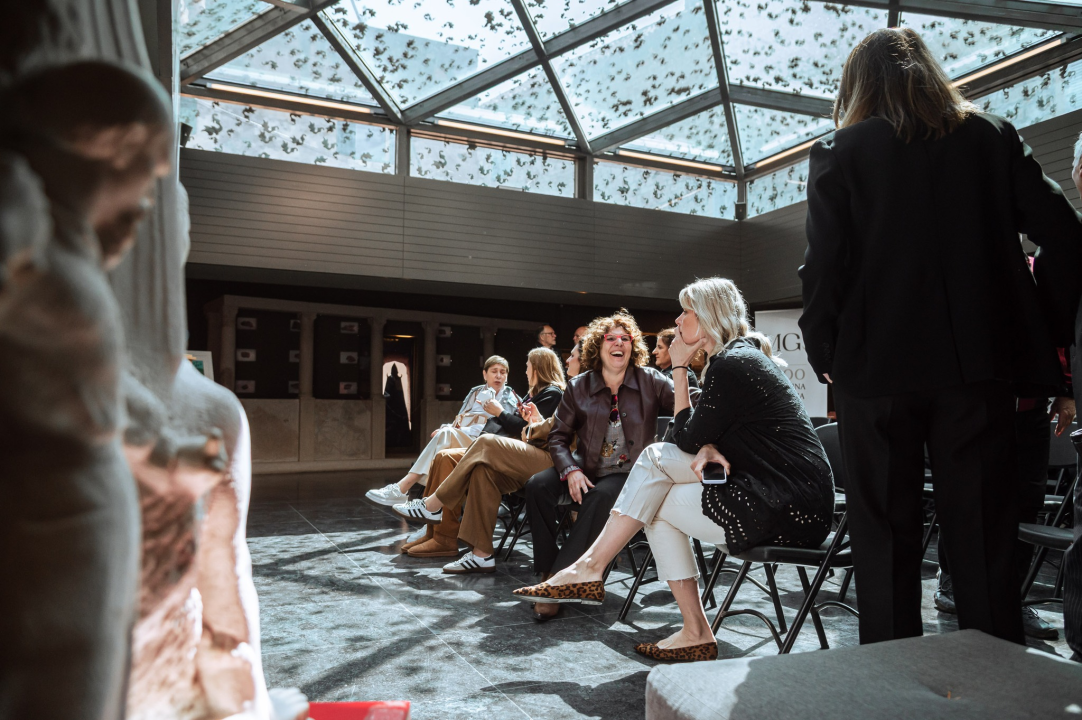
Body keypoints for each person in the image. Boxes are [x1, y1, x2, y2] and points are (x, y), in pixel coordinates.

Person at [798, 28, 1082, 646]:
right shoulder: (992, 136)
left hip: (875, 372)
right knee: (983, 539)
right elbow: (1065, 235)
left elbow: (823, 268)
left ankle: (896, 690)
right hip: (978, 369)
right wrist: (1041, 330)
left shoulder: (841, 150)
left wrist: (824, 350)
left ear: (858, 87)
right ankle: (994, 688)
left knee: (886, 536)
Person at [513, 278, 835, 660]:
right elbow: (710, 432)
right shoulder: (739, 358)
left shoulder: (732, 364)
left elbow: (684, 437)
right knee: (655, 499)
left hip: (787, 506)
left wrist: (680, 367)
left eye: (686, 312)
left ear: (709, 317)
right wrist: (710, 441)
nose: (678, 320)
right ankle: (691, 628)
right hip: (781, 495)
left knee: (653, 463)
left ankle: (592, 568)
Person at [0, 61, 172, 720]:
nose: (150, 201)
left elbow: (86, 379)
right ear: (117, 146)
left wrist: (162, 441)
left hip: (77, 529)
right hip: (42, 528)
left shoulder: (65, 241)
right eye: (151, 174)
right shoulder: (17, 203)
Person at [524, 311, 676, 619]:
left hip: (630, 473)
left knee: (600, 497)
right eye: (611, 338)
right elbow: (558, 439)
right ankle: (548, 572)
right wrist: (571, 470)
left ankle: (557, 581)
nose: (619, 343)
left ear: (633, 347)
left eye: (626, 338)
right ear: (598, 345)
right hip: (588, 467)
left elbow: (691, 401)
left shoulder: (651, 380)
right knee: (537, 486)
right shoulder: (579, 386)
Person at [392, 347, 566, 561]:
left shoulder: (553, 393)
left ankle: (432, 505)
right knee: (444, 456)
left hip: (523, 457)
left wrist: (501, 412)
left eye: (528, 367)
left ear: (538, 369)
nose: (526, 371)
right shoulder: (530, 394)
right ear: (485, 374)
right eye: (494, 371)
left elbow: (528, 431)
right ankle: (439, 536)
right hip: (506, 448)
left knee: (480, 443)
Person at [366, 356, 520, 505]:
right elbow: (460, 419)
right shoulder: (476, 392)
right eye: (494, 371)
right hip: (465, 439)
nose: (499, 376)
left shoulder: (511, 398)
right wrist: (449, 426)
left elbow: (498, 429)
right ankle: (427, 511)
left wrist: (453, 429)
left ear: (507, 376)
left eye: (503, 372)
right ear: (485, 374)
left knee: (445, 436)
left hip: (485, 444)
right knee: (443, 442)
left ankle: (403, 489)